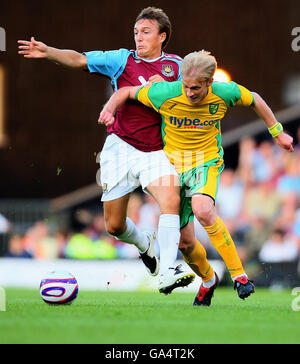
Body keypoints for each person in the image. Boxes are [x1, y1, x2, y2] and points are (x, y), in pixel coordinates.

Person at [18, 7, 202, 295]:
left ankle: (167, 272)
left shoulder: (177, 67)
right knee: (114, 226)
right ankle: (145, 244)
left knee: (171, 199)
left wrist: (171, 88)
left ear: (162, 36)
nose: (139, 38)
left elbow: (196, 95)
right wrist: (49, 51)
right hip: (120, 148)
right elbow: (79, 59)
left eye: (146, 32)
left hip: (157, 151)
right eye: (136, 33)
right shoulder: (121, 59)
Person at [99, 50, 295, 301]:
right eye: (186, 86)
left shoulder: (225, 92)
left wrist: (277, 132)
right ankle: (209, 279)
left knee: (203, 209)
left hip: (205, 163)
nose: (190, 93)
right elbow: (125, 91)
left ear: (210, 83)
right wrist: (110, 109)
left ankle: (239, 276)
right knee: (185, 243)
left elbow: (255, 99)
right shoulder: (165, 93)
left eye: (196, 88)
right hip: (171, 167)